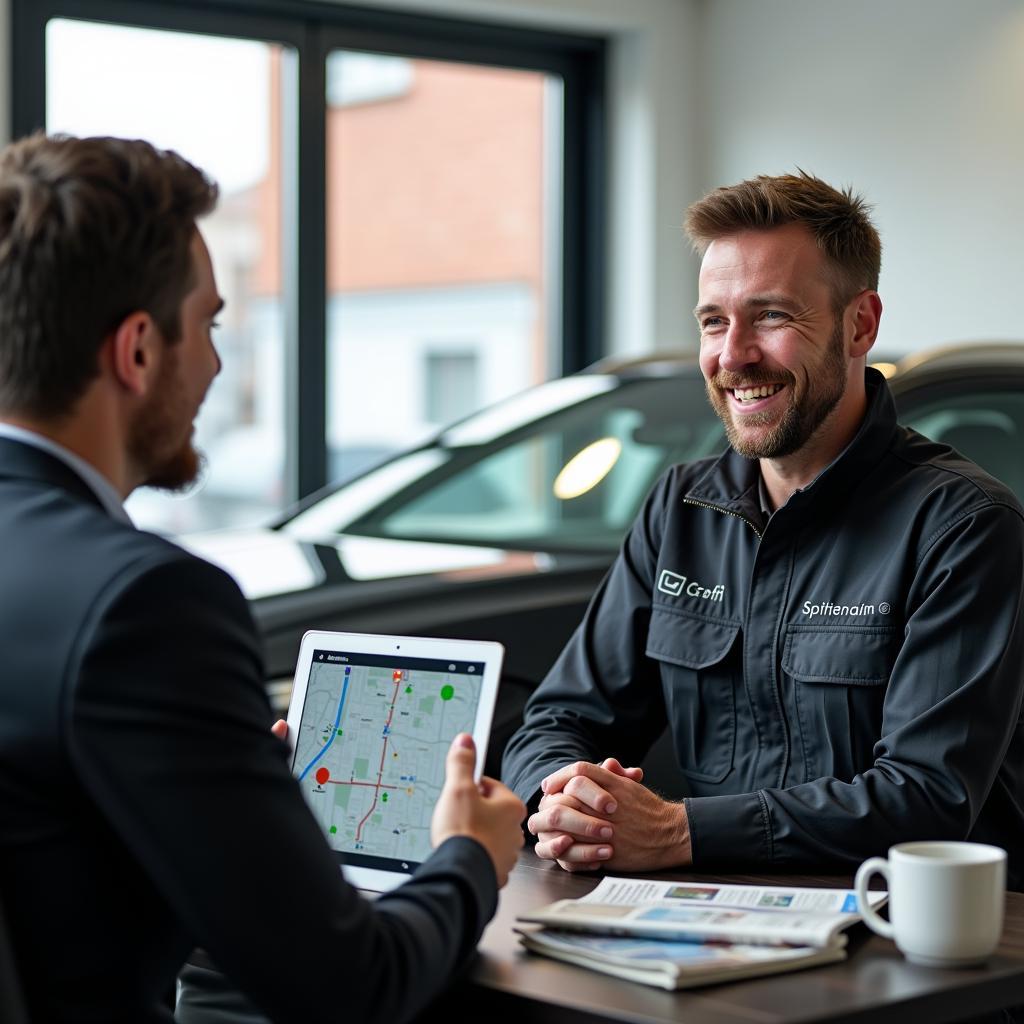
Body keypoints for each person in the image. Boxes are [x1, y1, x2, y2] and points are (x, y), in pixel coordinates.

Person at [0, 133, 525, 1024]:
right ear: (136, 350)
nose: (211, 364)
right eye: (206, 325)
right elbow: (352, 985)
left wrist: (222, 789)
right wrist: (469, 856)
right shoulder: (146, 605)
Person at [502, 172, 1024, 888]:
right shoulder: (680, 509)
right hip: (708, 925)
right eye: (714, 321)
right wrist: (569, 800)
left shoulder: (964, 528)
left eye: (771, 316)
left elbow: (924, 800)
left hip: (900, 952)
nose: (733, 354)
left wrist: (677, 832)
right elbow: (559, 717)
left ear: (859, 325)